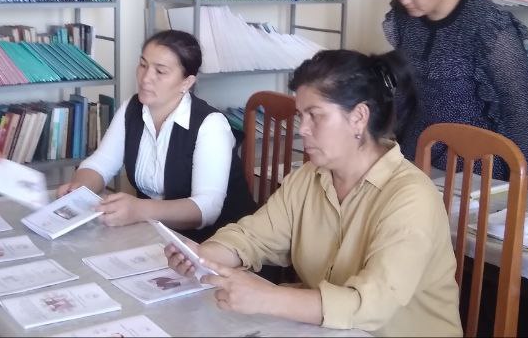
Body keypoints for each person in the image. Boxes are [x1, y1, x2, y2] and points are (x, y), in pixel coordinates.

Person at [165, 50, 461, 337]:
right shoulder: (309, 178)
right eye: (300, 115)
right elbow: (253, 237)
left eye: (314, 116)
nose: (302, 129)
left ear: (359, 117)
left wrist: (268, 297)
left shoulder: (411, 198)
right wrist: (203, 257)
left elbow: (372, 304)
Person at [55, 30, 256, 242]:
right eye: (143, 65)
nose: (146, 78)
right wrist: (79, 189)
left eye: (160, 71)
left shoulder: (211, 125)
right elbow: (100, 164)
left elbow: (207, 209)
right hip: (159, 235)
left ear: (186, 82)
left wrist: (139, 210)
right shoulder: (132, 108)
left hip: (222, 243)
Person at [381, 0, 528, 179]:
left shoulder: (486, 23)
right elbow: (406, 84)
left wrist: (517, 175)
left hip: (476, 159)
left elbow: (520, 101)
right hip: (420, 147)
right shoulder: (404, 16)